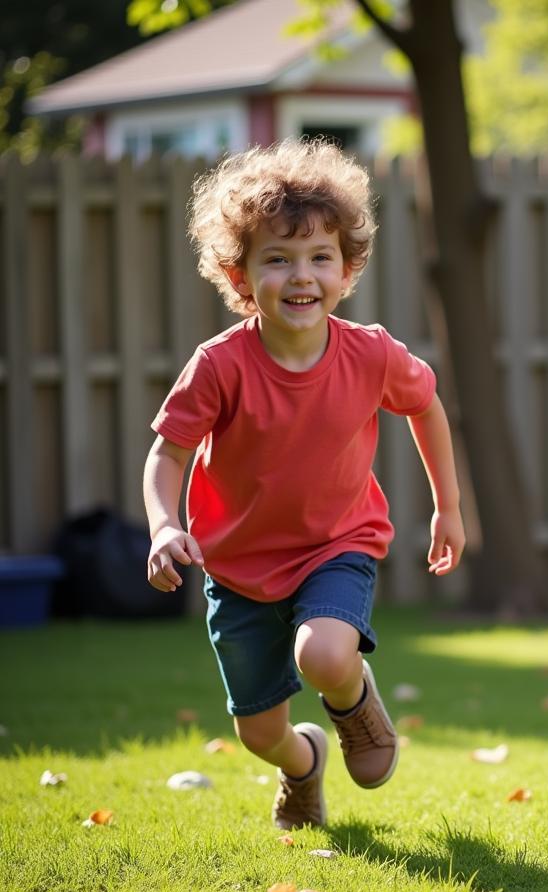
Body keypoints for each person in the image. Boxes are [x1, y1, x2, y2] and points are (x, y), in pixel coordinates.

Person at [144, 139, 465, 830]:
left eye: (320, 257)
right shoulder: (220, 366)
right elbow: (166, 454)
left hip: (336, 544)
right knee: (259, 732)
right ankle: (303, 765)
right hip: (236, 566)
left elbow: (427, 406)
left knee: (322, 652)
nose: (301, 276)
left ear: (346, 269)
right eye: (277, 259)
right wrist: (165, 525)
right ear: (239, 277)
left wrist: (449, 507)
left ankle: (356, 709)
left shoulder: (371, 353)